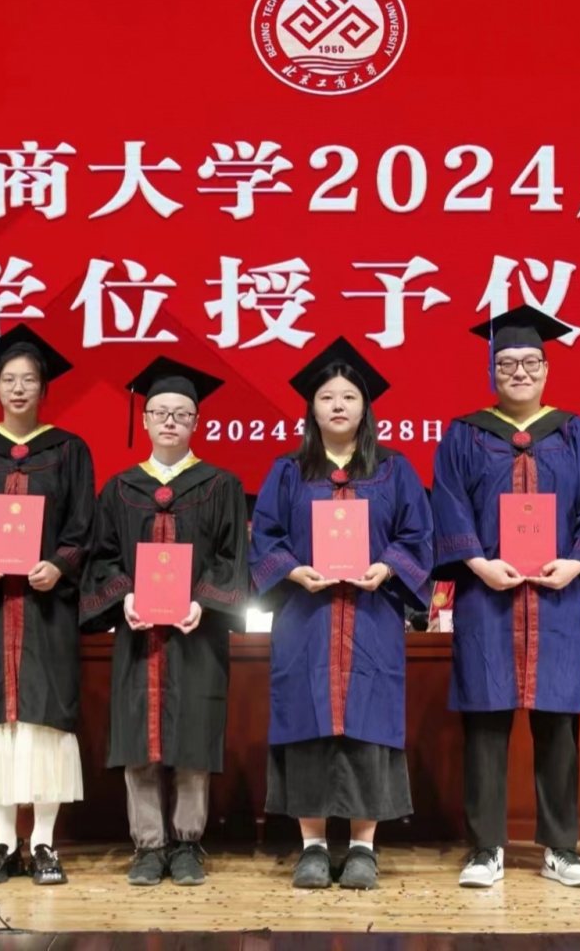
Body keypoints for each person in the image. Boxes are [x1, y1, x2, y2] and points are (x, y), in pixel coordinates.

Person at [430, 305, 580, 890]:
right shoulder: (464, 434)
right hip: (488, 598)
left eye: (531, 362)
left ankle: (561, 848)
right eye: (507, 363)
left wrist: (577, 563)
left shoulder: (574, 432)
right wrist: (478, 564)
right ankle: (486, 848)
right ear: (492, 370)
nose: (519, 372)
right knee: (485, 725)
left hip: (558, 598)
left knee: (558, 725)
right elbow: (449, 504)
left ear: (546, 368)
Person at [250, 338, 434, 891]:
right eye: (327, 397)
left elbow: (417, 534)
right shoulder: (288, 471)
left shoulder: (394, 470)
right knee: (306, 725)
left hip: (371, 617)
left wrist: (386, 567)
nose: (337, 405)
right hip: (306, 618)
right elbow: (265, 537)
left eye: (349, 397)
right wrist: (293, 571)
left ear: (364, 407)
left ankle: (362, 848)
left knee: (367, 727)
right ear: (311, 407)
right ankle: (310, 846)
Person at [80, 357, 250, 887]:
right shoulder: (120, 489)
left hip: (197, 634)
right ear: (146, 420)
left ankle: (187, 844)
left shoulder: (221, 485)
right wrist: (125, 596)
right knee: (140, 740)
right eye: (160, 413)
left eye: (181, 414)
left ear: (197, 422)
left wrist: (204, 601)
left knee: (192, 737)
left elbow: (232, 557)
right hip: (139, 635)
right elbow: (102, 558)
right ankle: (149, 845)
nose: (170, 421)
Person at [0, 325, 96, 886]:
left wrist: (59, 564)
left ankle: (44, 841)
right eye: (9, 379)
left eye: (29, 379)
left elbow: (83, 527)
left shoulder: (69, 450)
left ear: (44, 388)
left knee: (42, 720)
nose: (19, 388)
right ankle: (4, 841)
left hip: (45, 608)